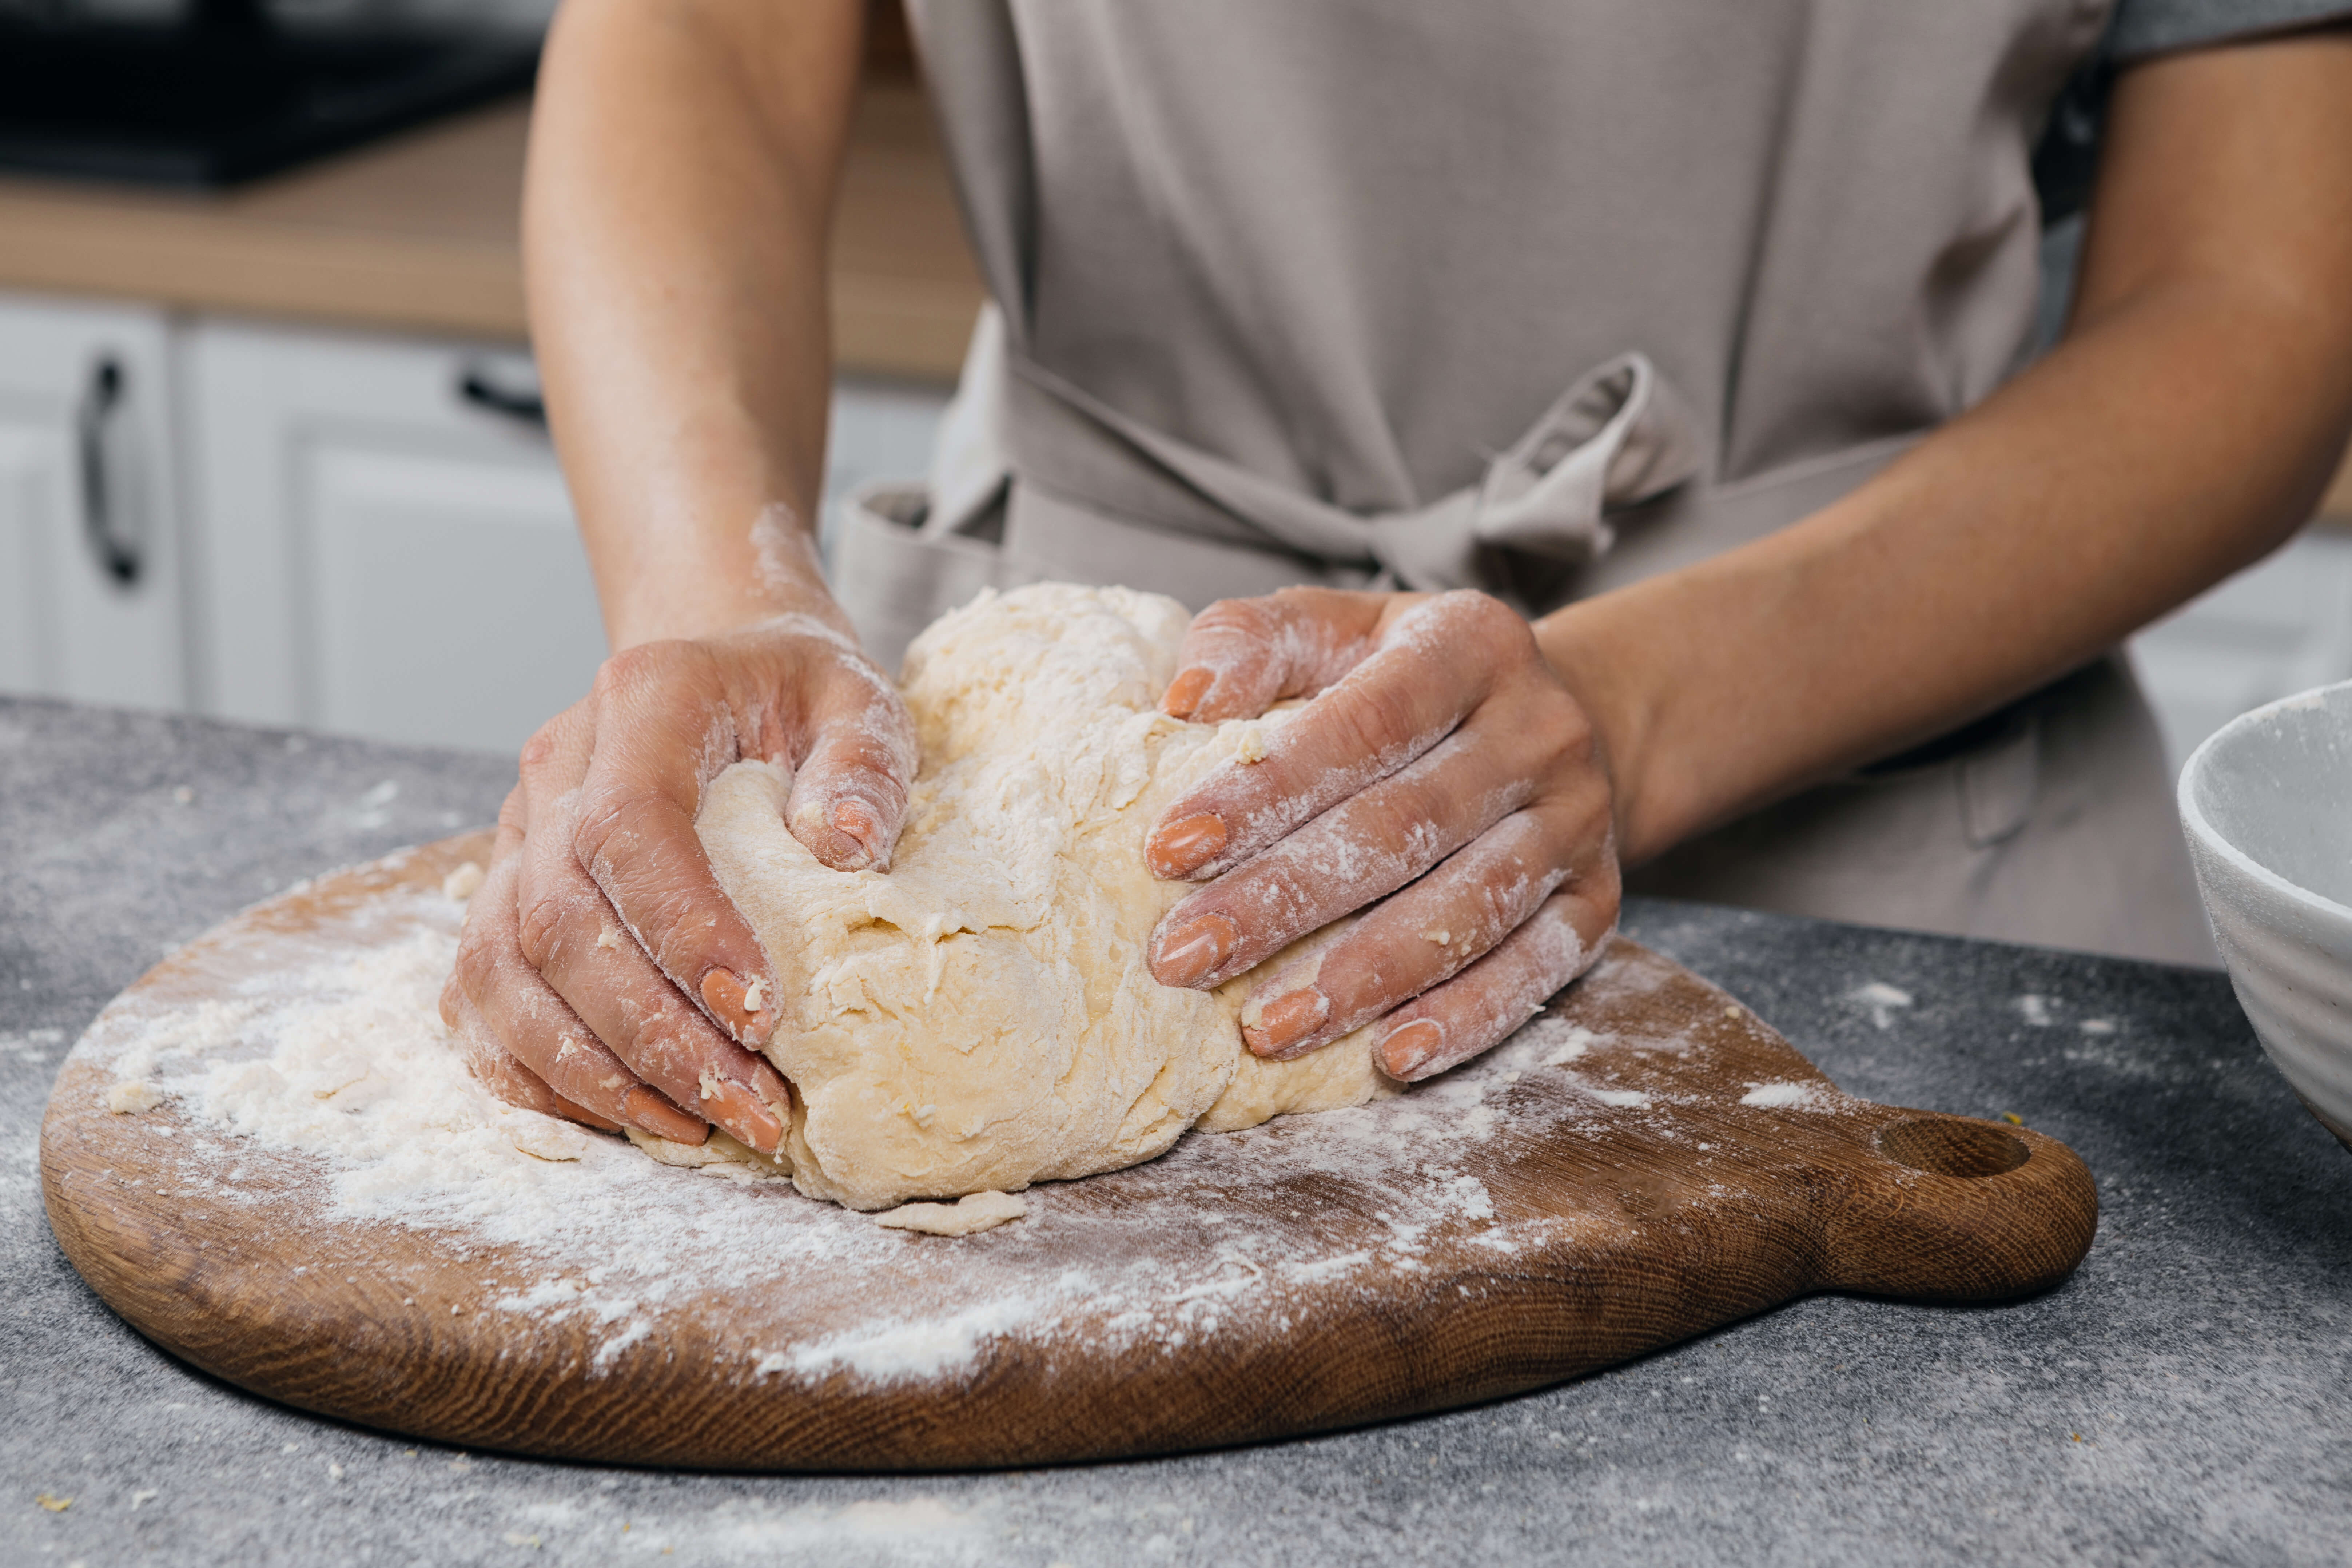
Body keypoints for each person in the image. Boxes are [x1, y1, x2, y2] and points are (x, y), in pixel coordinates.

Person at [441, 0, 2352, 1156]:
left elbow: (2253, 302)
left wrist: (1637, 702)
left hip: (1890, 830)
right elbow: (702, 42)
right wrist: (717, 592)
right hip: (1014, 823)